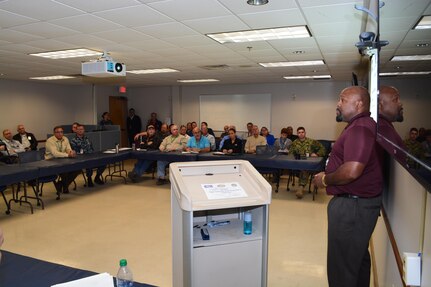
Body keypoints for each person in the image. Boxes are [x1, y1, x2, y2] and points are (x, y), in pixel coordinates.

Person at [313, 86, 383, 287]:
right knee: (355, 262)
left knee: (341, 269)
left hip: (352, 208)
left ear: (359, 104)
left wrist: (325, 180)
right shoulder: (360, 125)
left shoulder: (360, 128)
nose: (338, 104)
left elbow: (352, 170)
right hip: (356, 205)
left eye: (342, 100)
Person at [290, 127, 325, 199]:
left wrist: (317, 154)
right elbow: (290, 154)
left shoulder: (311, 141)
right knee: (302, 168)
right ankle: (301, 187)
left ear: (305, 133)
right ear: (297, 134)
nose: (301, 134)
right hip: (298, 163)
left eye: (302, 132)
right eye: (299, 132)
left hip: (310, 163)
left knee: (305, 169)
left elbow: (322, 149)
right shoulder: (294, 143)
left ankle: (300, 188)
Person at [45, 126, 81, 195]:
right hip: (51, 161)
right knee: (64, 170)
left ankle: (61, 184)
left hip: (63, 159)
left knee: (77, 168)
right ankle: (65, 187)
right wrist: (68, 155)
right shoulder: (50, 141)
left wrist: (71, 152)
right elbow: (55, 154)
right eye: (57, 132)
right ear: (54, 133)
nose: (60, 134)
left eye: (61, 132)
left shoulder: (65, 139)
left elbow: (68, 149)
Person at [377, 86, 406, 162]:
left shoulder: (385, 124)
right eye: (395, 99)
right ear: (380, 105)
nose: (400, 103)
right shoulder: (382, 128)